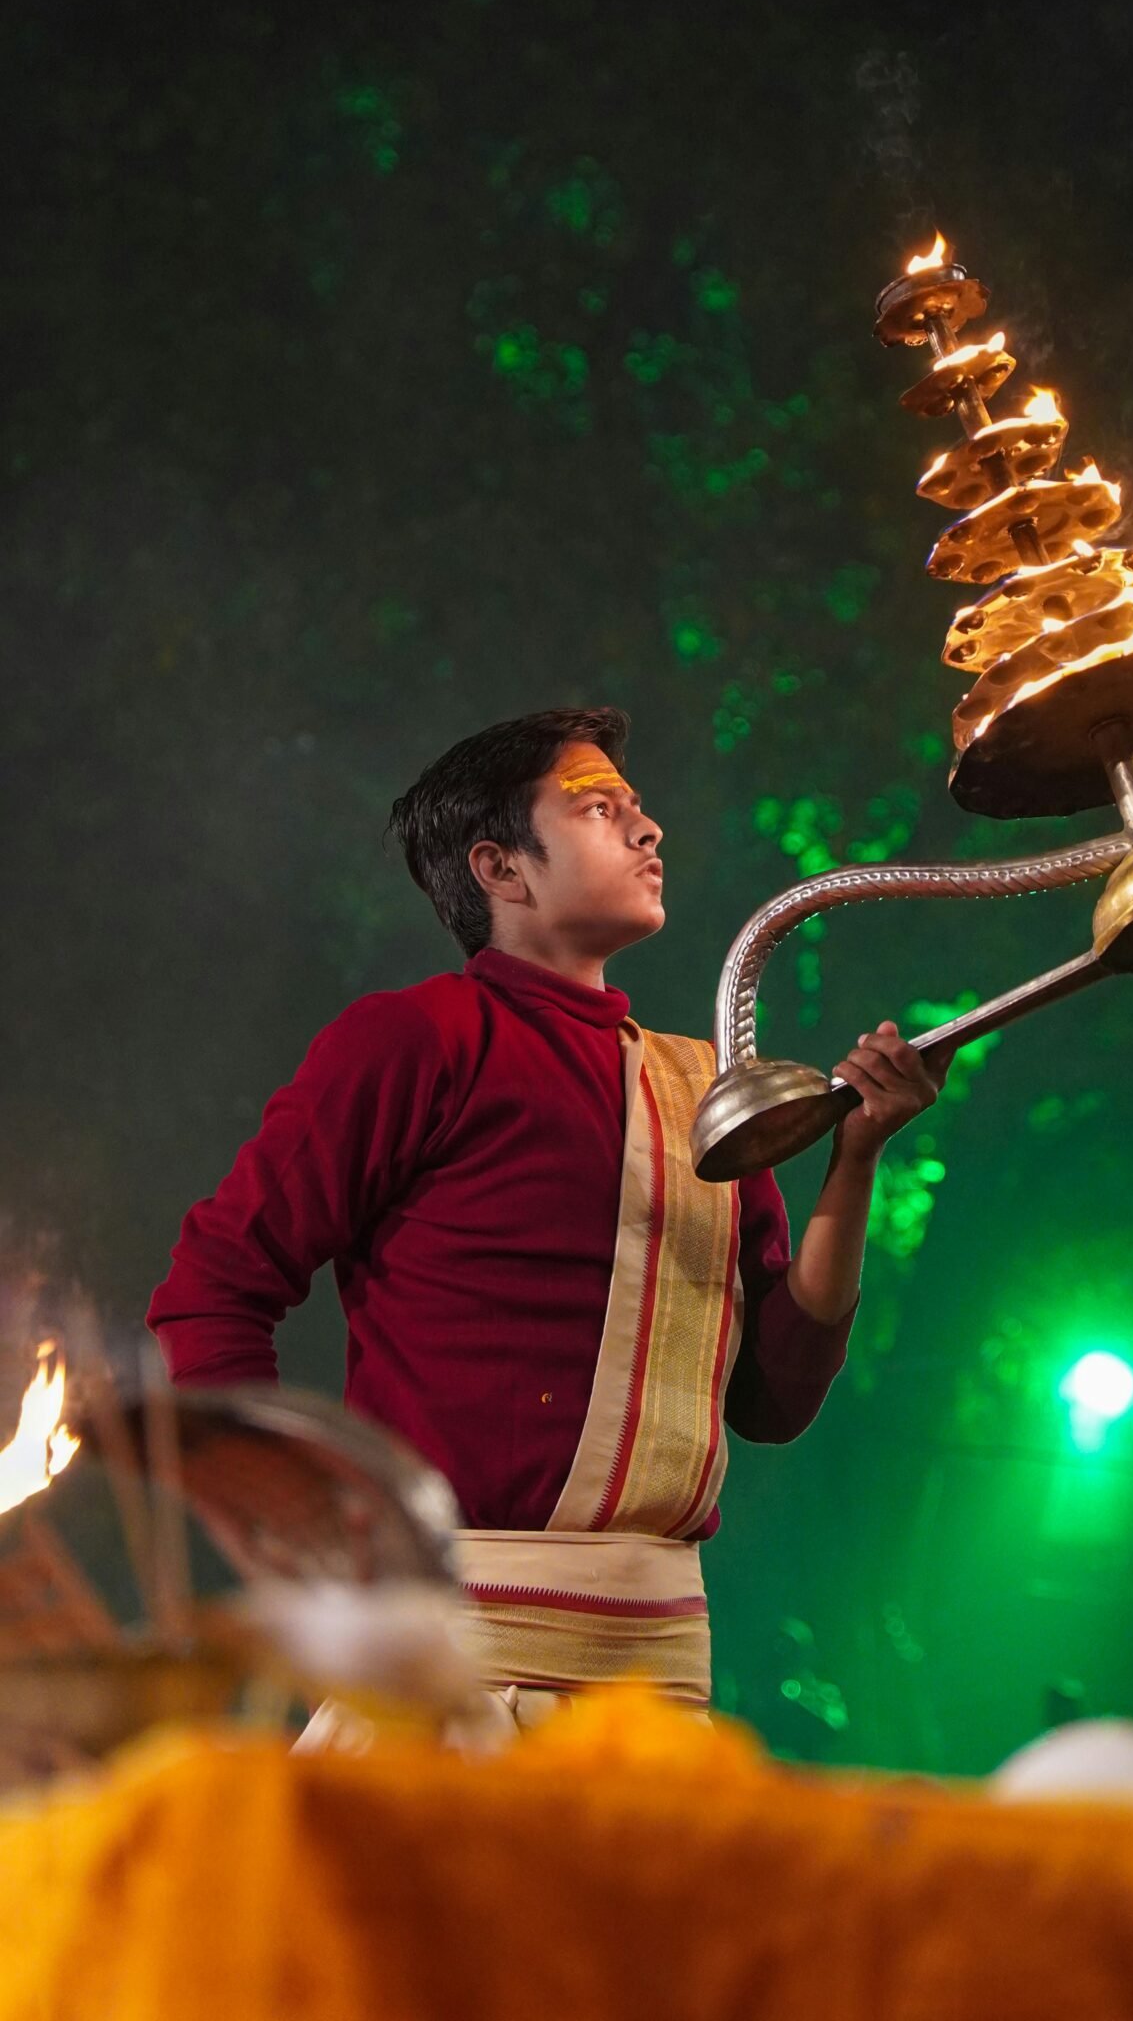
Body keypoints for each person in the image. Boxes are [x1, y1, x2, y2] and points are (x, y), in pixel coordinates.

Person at [148, 707, 944, 1723]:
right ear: (502, 869)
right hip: (443, 1691)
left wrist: (856, 1159)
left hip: (656, 1698)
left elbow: (771, 1402)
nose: (647, 830)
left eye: (639, 808)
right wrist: (296, 1534)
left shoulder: (706, 1090)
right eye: (598, 809)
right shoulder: (416, 1040)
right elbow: (211, 1290)